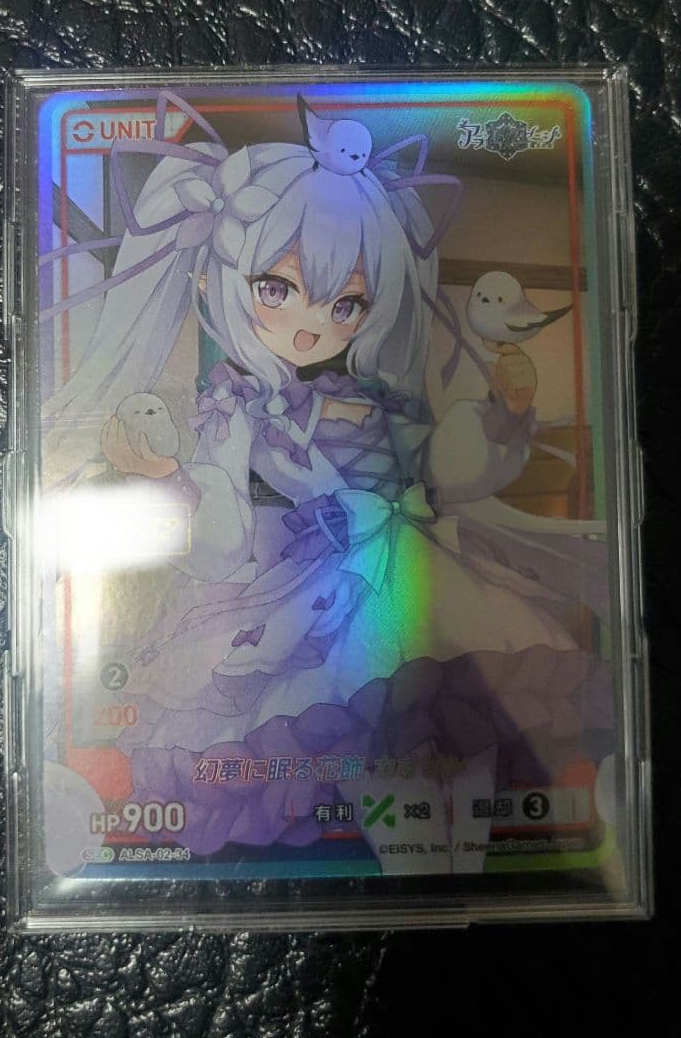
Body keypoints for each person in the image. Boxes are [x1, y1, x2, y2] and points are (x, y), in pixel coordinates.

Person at [42, 93, 613, 866]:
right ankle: (417, 881)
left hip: (420, 576)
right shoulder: (235, 413)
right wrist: (170, 478)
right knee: (366, 748)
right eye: (275, 289)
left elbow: (446, 470)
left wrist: (502, 419)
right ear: (214, 282)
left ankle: (462, 875)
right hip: (303, 601)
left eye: (347, 302)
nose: (312, 323)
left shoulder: (378, 402)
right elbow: (219, 541)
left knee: (464, 737)